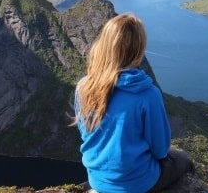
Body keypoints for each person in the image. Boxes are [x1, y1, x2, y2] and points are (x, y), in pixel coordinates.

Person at [72, 13, 194, 193]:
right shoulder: (147, 94)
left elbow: (86, 134)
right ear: (138, 50)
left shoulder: (84, 87)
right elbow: (160, 151)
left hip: (98, 180)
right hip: (137, 184)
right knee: (183, 160)